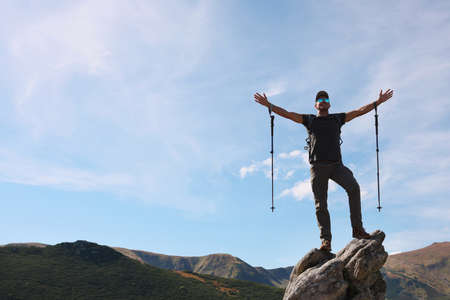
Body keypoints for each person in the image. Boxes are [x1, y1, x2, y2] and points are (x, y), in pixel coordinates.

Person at [253, 89, 394, 251]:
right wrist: (269, 105)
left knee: (353, 188)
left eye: (326, 99)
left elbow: (359, 112)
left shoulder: (337, 119)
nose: (323, 101)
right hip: (317, 167)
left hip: (336, 165)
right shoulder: (309, 120)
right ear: (315, 105)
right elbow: (287, 113)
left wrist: (378, 102)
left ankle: (358, 230)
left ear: (329, 104)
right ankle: (326, 241)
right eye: (320, 99)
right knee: (321, 205)